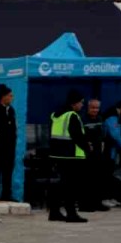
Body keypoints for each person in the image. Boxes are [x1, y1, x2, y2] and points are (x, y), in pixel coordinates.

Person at [49, 89, 90, 223]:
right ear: (74, 103)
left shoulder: (55, 115)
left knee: (61, 185)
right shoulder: (72, 116)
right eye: (81, 103)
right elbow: (78, 136)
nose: (82, 105)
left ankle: (54, 212)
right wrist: (88, 149)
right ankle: (71, 213)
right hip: (72, 156)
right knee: (71, 187)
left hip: (57, 154)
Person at [79, 99, 110, 212]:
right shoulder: (82, 119)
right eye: (93, 108)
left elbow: (102, 134)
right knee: (87, 180)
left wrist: (102, 144)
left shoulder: (100, 119)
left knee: (98, 179)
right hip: (86, 154)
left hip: (98, 154)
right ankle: (85, 205)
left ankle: (97, 203)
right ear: (88, 107)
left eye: (97, 108)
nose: (95, 110)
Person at [102, 100, 121, 206]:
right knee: (106, 174)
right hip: (107, 150)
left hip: (111, 150)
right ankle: (105, 198)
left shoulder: (114, 116)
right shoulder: (112, 115)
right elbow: (114, 133)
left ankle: (110, 197)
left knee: (110, 174)